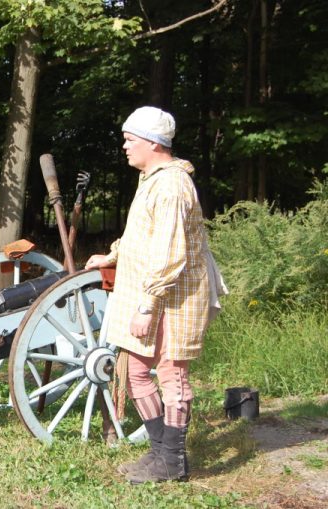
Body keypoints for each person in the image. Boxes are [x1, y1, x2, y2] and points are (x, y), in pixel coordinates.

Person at [85, 106, 214, 484]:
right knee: (138, 372)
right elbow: (142, 233)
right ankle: (161, 454)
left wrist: (147, 306)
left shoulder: (172, 185)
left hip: (174, 299)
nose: (124, 146)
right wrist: (111, 255)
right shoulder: (151, 179)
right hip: (151, 294)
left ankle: (173, 460)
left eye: (130, 140)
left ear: (153, 143)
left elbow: (170, 255)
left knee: (172, 375)